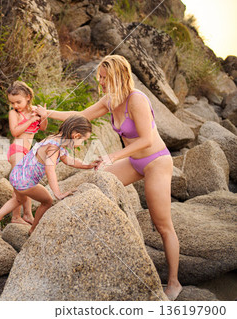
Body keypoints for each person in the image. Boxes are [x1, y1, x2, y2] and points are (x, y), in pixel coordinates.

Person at [35, 55, 182, 300]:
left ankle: (174, 282)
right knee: (97, 179)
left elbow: (146, 140)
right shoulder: (110, 100)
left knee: (162, 225)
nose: (100, 81)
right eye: (100, 77)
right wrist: (46, 112)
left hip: (156, 161)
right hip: (134, 161)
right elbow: (80, 115)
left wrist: (112, 156)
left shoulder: (136, 100)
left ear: (117, 77)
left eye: (104, 78)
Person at [0, 115, 100, 235]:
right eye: (83, 140)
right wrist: (58, 193)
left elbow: (69, 160)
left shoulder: (53, 139)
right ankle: (33, 231)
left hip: (17, 174)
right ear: (76, 136)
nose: (82, 143)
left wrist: (88, 165)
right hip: (26, 182)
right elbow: (50, 169)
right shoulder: (55, 147)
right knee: (47, 201)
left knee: (18, 199)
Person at [6, 81, 48, 226]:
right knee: (20, 183)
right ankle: (16, 216)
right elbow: (15, 132)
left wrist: (43, 116)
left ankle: (28, 215)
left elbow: (42, 127)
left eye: (18, 102)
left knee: (26, 183)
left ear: (28, 97)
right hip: (16, 150)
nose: (15, 106)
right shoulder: (14, 113)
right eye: (12, 102)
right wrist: (31, 119)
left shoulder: (35, 110)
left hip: (27, 152)